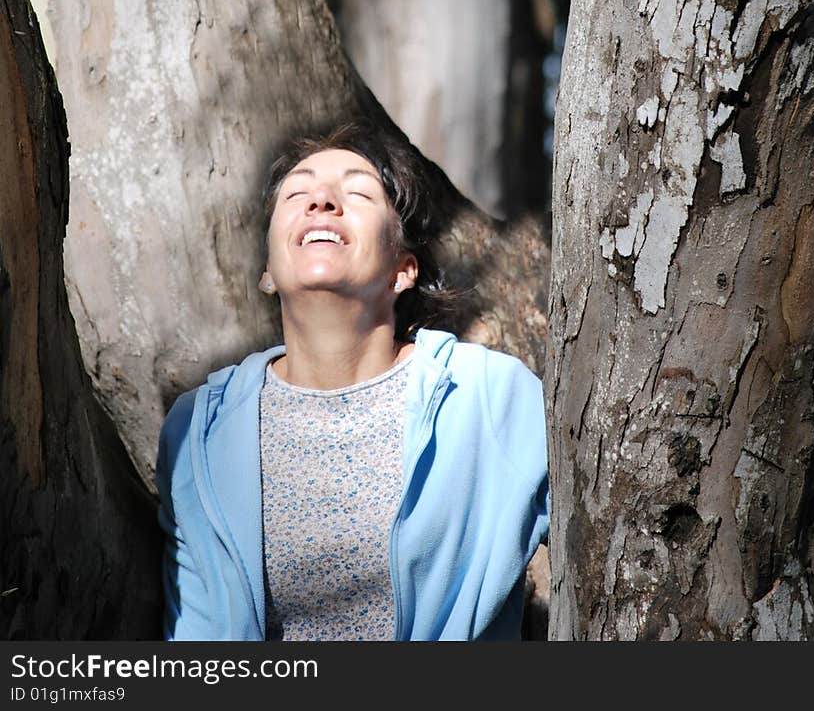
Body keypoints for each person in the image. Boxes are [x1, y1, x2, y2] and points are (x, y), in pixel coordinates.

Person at [156, 117, 549, 642]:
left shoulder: (492, 398)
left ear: (402, 270)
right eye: (298, 193)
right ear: (268, 271)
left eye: (358, 194)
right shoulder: (199, 431)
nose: (321, 202)